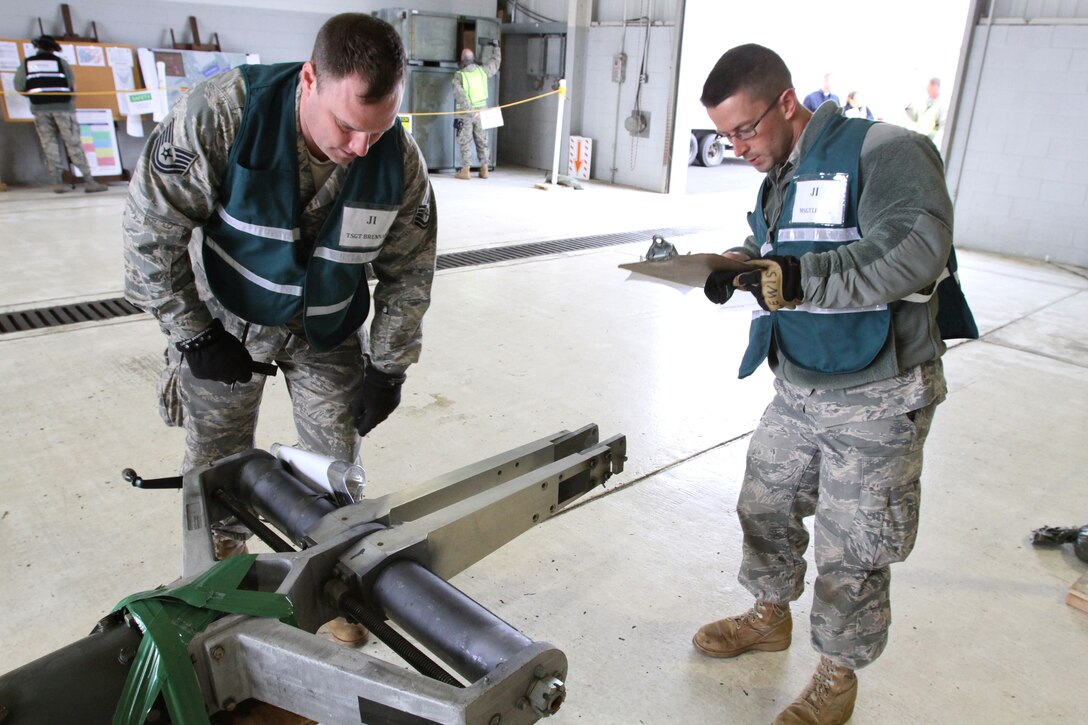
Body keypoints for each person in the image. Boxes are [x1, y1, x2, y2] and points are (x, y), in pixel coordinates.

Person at [122, 13, 437, 640]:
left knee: (332, 472)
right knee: (218, 467)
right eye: (347, 125)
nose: (359, 148)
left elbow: (410, 270)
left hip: (324, 331)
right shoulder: (225, 112)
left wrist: (388, 365)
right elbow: (149, 231)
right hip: (224, 322)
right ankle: (223, 585)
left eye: (376, 129)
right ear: (310, 78)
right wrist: (193, 335)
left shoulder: (394, 157)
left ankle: (336, 591)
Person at [694, 44, 975, 725]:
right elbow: (783, 248)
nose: (736, 147)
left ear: (786, 103)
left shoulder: (887, 150)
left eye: (744, 130)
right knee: (765, 503)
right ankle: (769, 614)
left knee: (855, 545)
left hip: (878, 392)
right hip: (800, 382)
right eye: (725, 134)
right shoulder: (781, 172)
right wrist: (741, 263)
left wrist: (798, 278)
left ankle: (837, 673)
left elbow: (913, 247)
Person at [14, 35, 107, 194]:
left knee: (48, 144)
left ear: (37, 47)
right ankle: (89, 181)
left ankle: (57, 182)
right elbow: (71, 85)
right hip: (64, 108)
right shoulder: (61, 63)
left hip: (40, 108)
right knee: (74, 143)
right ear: (53, 48)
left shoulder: (27, 63)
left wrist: (35, 96)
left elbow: (19, 85)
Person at [452, 39, 501, 180]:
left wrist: (470, 110)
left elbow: (460, 95)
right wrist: (496, 47)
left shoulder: (459, 76)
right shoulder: (482, 71)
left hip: (466, 114)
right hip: (482, 113)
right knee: (482, 140)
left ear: (462, 60)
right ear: (473, 59)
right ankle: (484, 169)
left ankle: (466, 170)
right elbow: (495, 63)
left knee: (465, 141)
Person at [905, 77, 945, 145]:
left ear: (935, 87)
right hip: (918, 141)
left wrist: (928, 137)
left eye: (929, 86)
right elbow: (917, 119)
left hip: (928, 143)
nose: (927, 89)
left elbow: (941, 128)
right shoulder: (925, 103)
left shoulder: (941, 105)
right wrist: (909, 110)